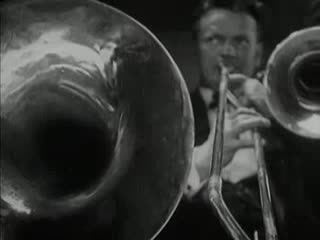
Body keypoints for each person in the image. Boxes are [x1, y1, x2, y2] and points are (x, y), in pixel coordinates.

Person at [156, 0, 272, 239]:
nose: (228, 51)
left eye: (240, 41)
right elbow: (145, 214)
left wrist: (277, 113)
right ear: (197, 47)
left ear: (258, 53)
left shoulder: (286, 118)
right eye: (214, 39)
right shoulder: (164, 120)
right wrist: (203, 162)